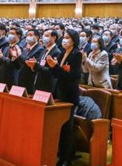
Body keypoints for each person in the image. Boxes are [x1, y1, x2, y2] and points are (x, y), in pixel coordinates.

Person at [46, 29, 82, 166]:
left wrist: (56, 67)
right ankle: (60, 155)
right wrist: (52, 67)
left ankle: (66, 159)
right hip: (59, 93)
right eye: (64, 37)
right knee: (60, 128)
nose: (64, 40)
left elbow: (73, 76)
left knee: (67, 128)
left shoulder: (77, 54)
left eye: (67, 37)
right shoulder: (62, 53)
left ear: (74, 40)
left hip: (70, 95)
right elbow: (57, 75)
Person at [16, 29, 45, 94]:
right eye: (27, 35)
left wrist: (19, 55)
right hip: (21, 78)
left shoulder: (40, 49)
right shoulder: (26, 48)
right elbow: (21, 61)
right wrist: (15, 56)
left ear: (37, 37)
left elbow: (29, 62)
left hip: (30, 80)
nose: (28, 37)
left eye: (30, 35)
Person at [32, 30, 61, 94]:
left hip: (47, 86)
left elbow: (52, 72)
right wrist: (33, 65)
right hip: (38, 83)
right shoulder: (44, 49)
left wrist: (36, 66)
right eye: (43, 35)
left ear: (54, 38)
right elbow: (41, 65)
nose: (44, 37)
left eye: (47, 36)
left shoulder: (57, 52)